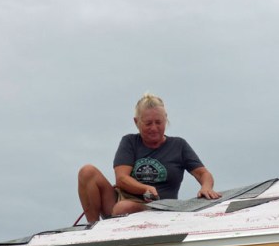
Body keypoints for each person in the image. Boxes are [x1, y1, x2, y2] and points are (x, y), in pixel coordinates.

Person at [77, 93, 221, 223]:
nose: (154, 128)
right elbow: (121, 179)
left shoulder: (179, 145)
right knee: (87, 171)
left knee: (123, 208)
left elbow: (203, 173)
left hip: (159, 209)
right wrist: (144, 188)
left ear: (165, 120)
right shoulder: (129, 142)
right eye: (148, 123)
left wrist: (206, 187)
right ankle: (93, 226)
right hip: (120, 201)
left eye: (158, 122)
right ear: (136, 122)